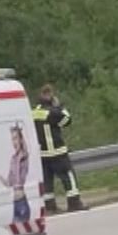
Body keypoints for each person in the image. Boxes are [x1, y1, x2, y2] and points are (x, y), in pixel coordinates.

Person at [31, 85, 85, 213]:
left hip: (42, 155)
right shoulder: (52, 112)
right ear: (50, 96)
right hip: (57, 152)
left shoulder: (33, 112)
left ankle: (50, 207)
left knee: (47, 181)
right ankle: (74, 204)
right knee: (68, 177)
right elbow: (67, 120)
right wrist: (59, 106)